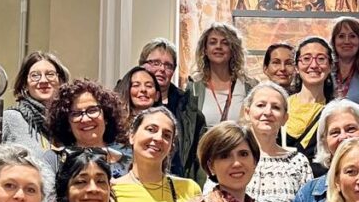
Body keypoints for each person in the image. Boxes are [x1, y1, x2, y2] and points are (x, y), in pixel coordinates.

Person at [236, 81, 312, 202]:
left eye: (276, 107)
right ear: (247, 112)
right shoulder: (231, 157)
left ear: (285, 118)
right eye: (260, 105)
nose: (268, 112)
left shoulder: (298, 162)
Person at [1, 50, 70, 194]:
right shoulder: (11, 119)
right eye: (35, 75)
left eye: (50, 74)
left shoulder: (69, 124)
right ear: (25, 84)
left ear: (61, 80)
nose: (43, 80)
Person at [138, 38, 206, 181]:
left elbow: (199, 161)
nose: (162, 69)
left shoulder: (189, 111)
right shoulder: (126, 101)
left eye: (168, 65)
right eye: (155, 63)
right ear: (142, 65)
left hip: (178, 182)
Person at [45, 79, 129, 182]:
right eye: (76, 114)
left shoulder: (131, 158)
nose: (85, 119)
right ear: (67, 123)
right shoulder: (54, 161)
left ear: (106, 116)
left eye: (92, 110)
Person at [189, 23, 254, 131]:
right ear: (205, 50)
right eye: (213, 42)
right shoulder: (194, 87)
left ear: (233, 50)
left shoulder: (248, 86)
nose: (218, 46)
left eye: (225, 43)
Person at [284, 36, 335, 165]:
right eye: (306, 59)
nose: (314, 65)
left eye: (321, 59)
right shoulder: (281, 106)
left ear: (330, 66)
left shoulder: (335, 111)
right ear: (296, 67)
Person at [330, 16, 359, 109]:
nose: (347, 41)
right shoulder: (325, 74)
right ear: (334, 41)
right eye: (341, 36)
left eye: (352, 36)